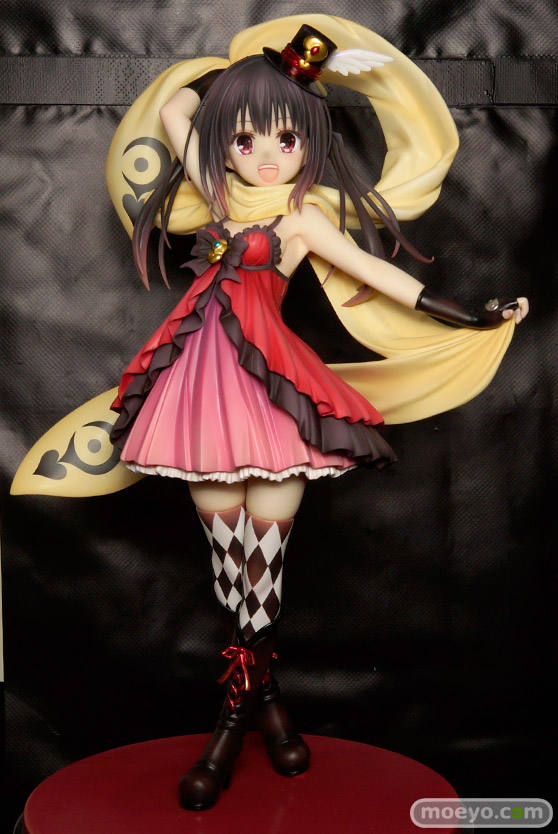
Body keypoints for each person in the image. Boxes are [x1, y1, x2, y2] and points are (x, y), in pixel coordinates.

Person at [102, 16, 528, 810]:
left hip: (273, 395)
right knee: (228, 566)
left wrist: (469, 314)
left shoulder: (301, 220)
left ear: (311, 144)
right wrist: (256, 69)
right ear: (226, 144)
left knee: (262, 567)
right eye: (247, 138)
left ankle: (232, 722)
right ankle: (267, 704)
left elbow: (376, 273)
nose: (267, 155)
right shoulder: (217, 191)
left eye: (287, 138)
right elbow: (174, 109)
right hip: (197, 391)